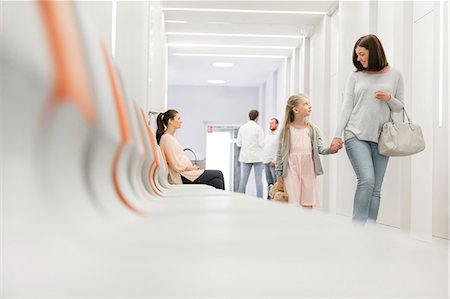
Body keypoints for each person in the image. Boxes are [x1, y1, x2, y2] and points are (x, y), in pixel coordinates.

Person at [331, 34, 404, 223]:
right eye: (357, 55)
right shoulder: (355, 76)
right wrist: (337, 135)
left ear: (374, 52)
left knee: (376, 187)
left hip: (382, 138)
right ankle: (357, 231)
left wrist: (389, 98)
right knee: (367, 180)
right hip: (355, 134)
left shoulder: (395, 75)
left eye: (362, 54)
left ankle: (370, 235)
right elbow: (346, 106)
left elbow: (400, 107)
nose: (359, 59)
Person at [276, 94, 335, 208]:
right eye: (306, 103)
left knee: (308, 200)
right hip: (291, 167)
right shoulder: (286, 130)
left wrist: (330, 150)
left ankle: (306, 224)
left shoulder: (312, 129)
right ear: (296, 109)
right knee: (292, 202)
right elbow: (280, 153)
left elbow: (320, 149)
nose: (310, 106)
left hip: (308, 167)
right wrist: (279, 174)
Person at [156, 109, 225, 190]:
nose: (181, 121)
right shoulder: (166, 138)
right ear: (170, 121)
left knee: (217, 182)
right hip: (181, 175)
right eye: (178, 118)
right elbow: (175, 165)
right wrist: (191, 168)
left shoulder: (170, 138)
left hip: (185, 173)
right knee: (219, 174)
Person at [237, 109, 265, 198]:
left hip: (245, 157)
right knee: (258, 180)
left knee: (243, 180)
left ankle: (240, 198)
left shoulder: (242, 128)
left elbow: (238, 143)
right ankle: (260, 199)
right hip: (257, 157)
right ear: (257, 117)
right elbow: (261, 143)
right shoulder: (258, 128)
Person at [263, 117, 279, 199]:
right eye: (270, 123)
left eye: (272, 123)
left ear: (277, 124)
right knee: (269, 183)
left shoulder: (278, 135)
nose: (270, 125)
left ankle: (275, 199)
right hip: (266, 161)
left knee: (275, 183)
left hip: (273, 162)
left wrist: (275, 160)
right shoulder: (267, 135)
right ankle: (269, 198)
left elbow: (279, 149)